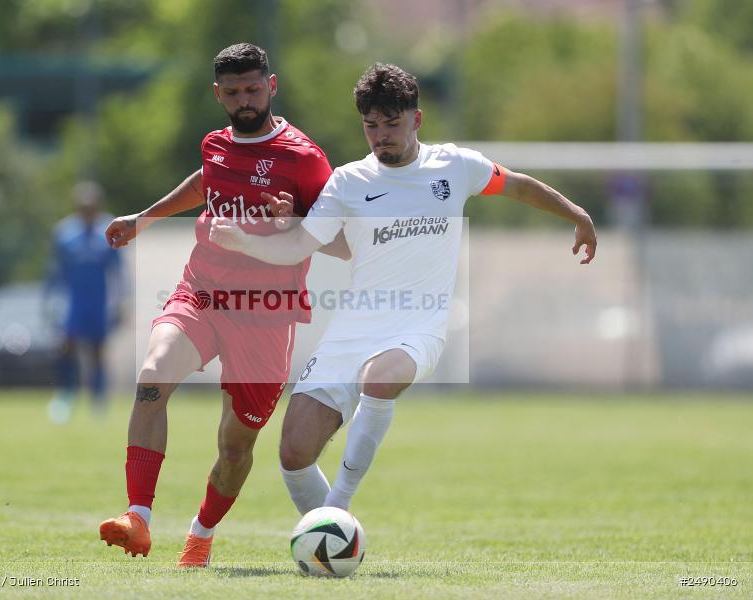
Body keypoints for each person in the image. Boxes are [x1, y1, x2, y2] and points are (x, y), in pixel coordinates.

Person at [209, 63, 597, 516]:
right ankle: (334, 547)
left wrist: (577, 214)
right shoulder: (348, 181)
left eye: (391, 124)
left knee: (380, 379)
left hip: (418, 325)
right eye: (371, 126)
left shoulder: (455, 166)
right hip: (352, 328)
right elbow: (298, 244)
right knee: (293, 455)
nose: (381, 136)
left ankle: (338, 512)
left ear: (417, 119)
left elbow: (518, 186)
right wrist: (248, 241)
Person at [98, 43, 349, 566]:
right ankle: (137, 517)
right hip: (203, 293)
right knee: (152, 378)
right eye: (232, 92)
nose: (244, 100)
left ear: (272, 85)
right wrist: (144, 218)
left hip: (266, 312)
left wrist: (294, 222)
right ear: (219, 94)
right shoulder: (215, 143)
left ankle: (201, 533)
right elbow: (207, 180)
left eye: (253, 89)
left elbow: (340, 238)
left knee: (235, 451)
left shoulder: (304, 157)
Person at [44, 181, 124, 423]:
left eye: (92, 206)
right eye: (83, 206)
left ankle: (98, 401)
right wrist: (50, 301)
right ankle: (65, 397)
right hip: (73, 303)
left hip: (98, 303)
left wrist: (120, 302)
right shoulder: (65, 233)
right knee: (67, 349)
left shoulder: (109, 229)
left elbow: (118, 272)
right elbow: (54, 271)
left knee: (98, 352)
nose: (87, 210)